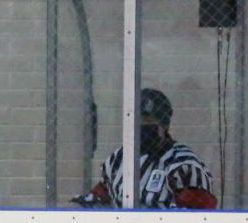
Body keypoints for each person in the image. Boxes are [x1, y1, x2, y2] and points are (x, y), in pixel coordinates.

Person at [72, 88, 218, 210]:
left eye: (148, 121)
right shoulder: (118, 158)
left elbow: (201, 215)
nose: (141, 126)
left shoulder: (183, 164)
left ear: (165, 125)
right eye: (137, 120)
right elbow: (101, 196)